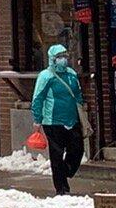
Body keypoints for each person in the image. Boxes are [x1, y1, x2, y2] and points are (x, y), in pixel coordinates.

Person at [31, 43, 85, 197]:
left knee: (77, 149)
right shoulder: (46, 76)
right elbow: (38, 98)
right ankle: (61, 188)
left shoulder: (72, 74)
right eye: (59, 57)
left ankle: (66, 170)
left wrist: (80, 110)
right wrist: (37, 119)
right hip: (52, 121)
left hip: (72, 120)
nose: (63, 59)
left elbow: (78, 94)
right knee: (56, 154)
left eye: (65, 56)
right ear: (52, 59)